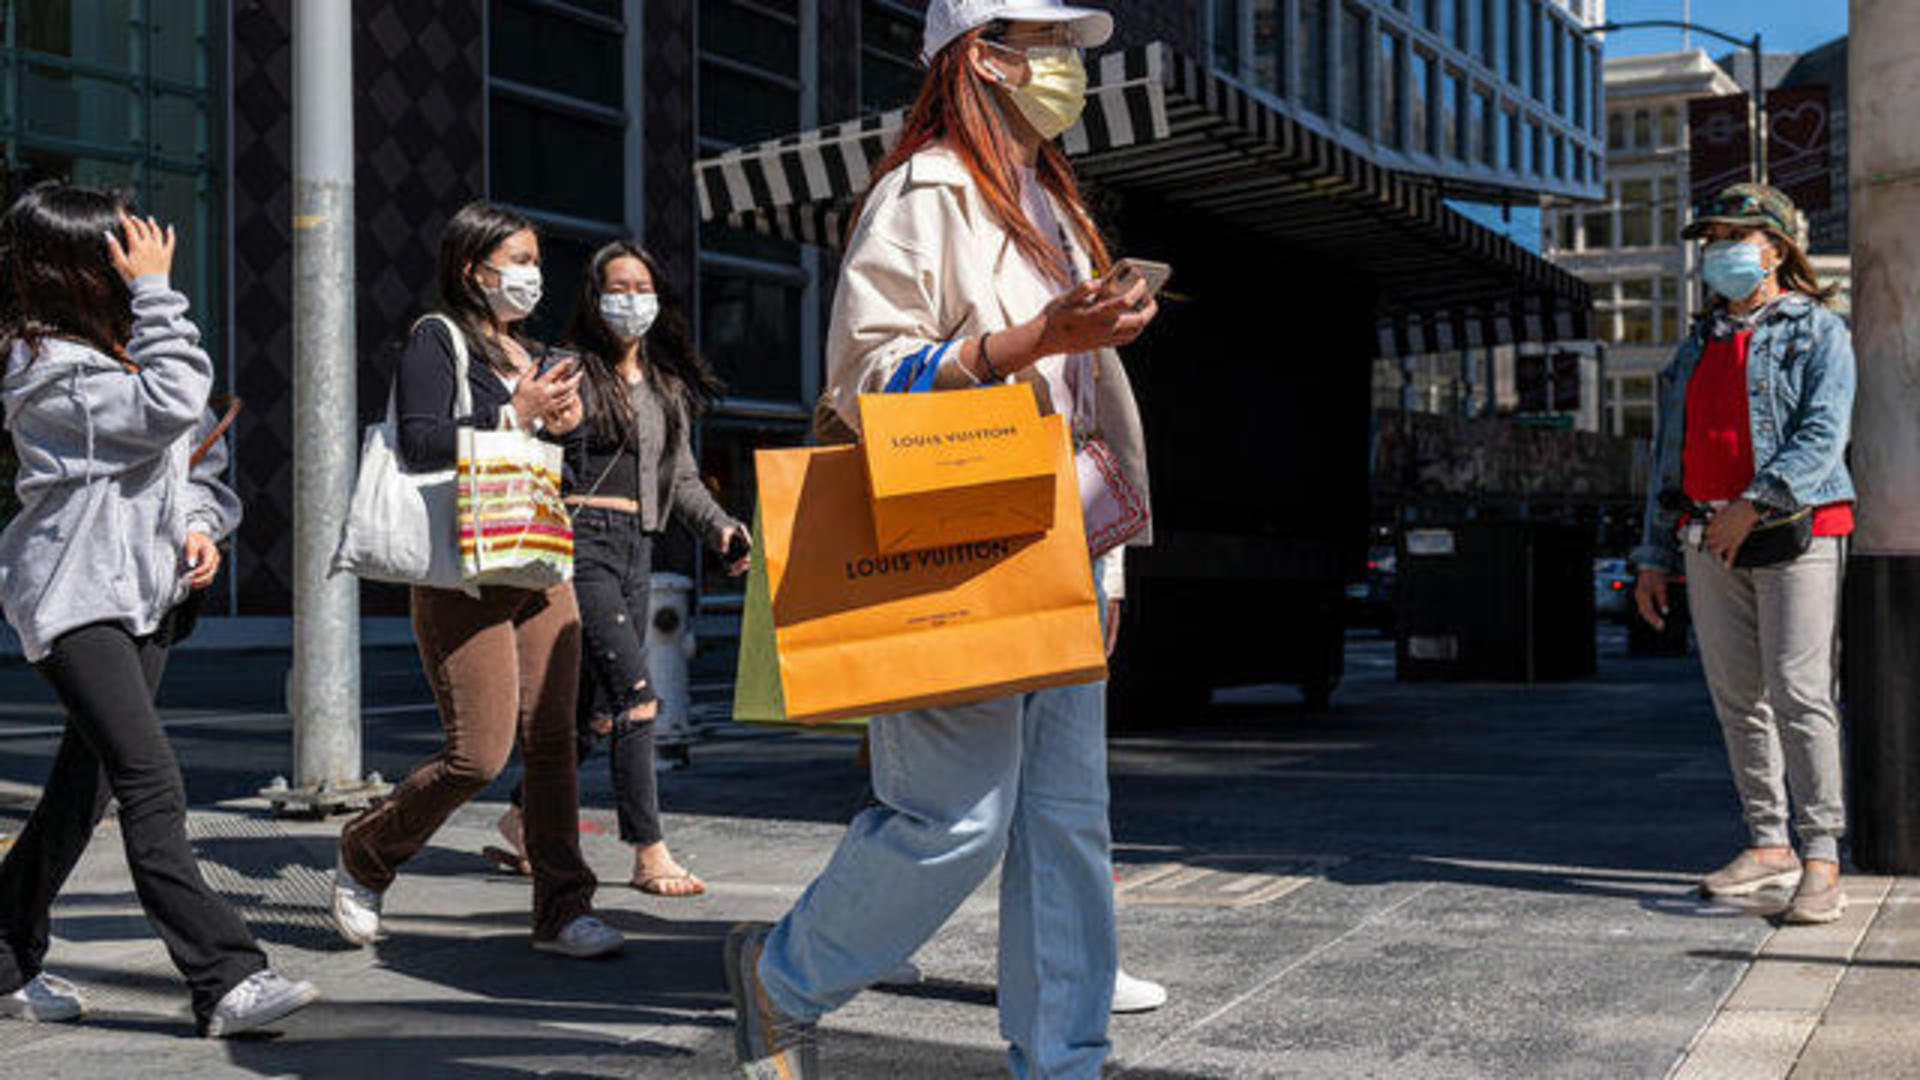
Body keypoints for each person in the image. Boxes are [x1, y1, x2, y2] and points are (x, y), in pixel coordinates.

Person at [723, 3, 1158, 1076]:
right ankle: (783, 980)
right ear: (984, 54)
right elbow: (864, 380)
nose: (1067, 66)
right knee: (955, 820)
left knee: (1069, 826)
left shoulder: (1049, 200)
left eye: (1072, 46)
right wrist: (1036, 337)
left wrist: (1107, 552)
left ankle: (1066, 1060)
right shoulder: (924, 191)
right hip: (950, 540)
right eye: (1047, 41)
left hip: (1059, 540)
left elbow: (1078, 399)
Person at [0, 183, 317, 1037]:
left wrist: (201, 529)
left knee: (83, 790)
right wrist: (158, 293)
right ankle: (224, 976)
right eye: (116, 250)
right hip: (75, 604)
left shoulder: (128, 355)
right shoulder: (42, 371)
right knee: (151, 780)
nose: (133, 259)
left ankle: (0, 951)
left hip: (145, 599)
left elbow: (194, 467)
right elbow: (171, 406)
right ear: (76, 267)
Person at [330, 201, 623, 959]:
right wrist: (514, 415)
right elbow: (421, 441)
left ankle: (563, 909)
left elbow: (560, 454)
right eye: (516, 261)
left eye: (535, 261)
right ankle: (367, 853)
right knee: (479, 755)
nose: (531, 275)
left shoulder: (533, 352)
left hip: (534, 553)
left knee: (554, 743)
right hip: (462, 568)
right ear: (473, 268)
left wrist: (557, 423)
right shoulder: (440, 339)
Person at [489, 241, 750, 898]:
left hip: (638, 543)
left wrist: (721, 526)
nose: (630, 300)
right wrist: (551, 422)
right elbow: (525, 443)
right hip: (580, 542)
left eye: (641, 287)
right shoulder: (568, 368)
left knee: (590, 714)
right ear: (594, 296)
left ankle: (521, 816)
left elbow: (682, 479)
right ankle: (648, 851)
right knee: (636, 699)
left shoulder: (665, 387)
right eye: (617, 287)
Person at [1632, 183, 1855, 925]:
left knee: (1799, 693)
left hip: (1797, 530)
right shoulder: (1697, 344)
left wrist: (1753, 505)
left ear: (1777, 249)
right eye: (1717, 235)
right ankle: (1769, 844)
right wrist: (1654, 555)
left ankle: (1821, 856)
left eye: (1739, 234)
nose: (1724, 247)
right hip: (1705, 538)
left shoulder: (1816, 330)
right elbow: (1670, 454)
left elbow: (1824, 435)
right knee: (1738, 701)